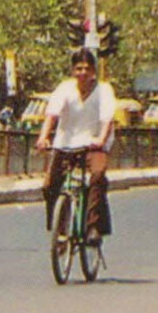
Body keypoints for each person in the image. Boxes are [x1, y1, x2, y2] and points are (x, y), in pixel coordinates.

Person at [35, 49, 117, 241]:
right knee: (50, 186)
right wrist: (43, 138)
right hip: (66, 144)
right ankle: (59, 229)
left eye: (87, 69)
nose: (82, 73)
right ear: (73, 71)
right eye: (78, 68)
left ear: (93, 71)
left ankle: (93, 227)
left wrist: (101, 140)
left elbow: (107, 119)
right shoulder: (65, 89)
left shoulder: (103, 90)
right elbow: (52, 115)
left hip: (93, 144)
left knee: (97, 177)